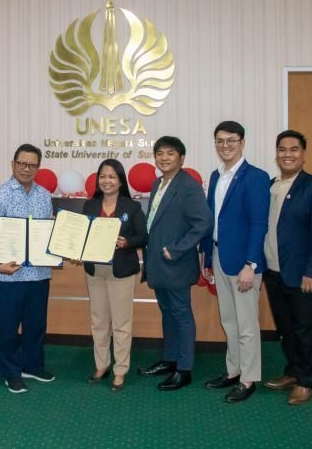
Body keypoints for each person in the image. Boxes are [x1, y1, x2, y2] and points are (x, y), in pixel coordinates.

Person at [261, 130, 312, 405]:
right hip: (274, 271)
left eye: (293, 149)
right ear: (276, 153)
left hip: (304, 275)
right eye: (282, 149)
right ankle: (292, 371)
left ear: (303, 154)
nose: (287, 154)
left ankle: (306, 381)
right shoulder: (270, 185)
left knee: (306, 328)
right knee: (286, 328)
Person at [201, 121, 269, 403]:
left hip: (243, 263)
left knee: (247, 324)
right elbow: (211, 219)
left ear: (242, 142)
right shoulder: (216, 176)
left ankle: (249, 378)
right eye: (219, 141)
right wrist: (206, 255)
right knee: (228, 319)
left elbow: (258, 223)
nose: (225, 146)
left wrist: (250, 264)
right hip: (219, 256)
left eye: (231, 140)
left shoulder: (256, 177)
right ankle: (233, 370)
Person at [137, 136, 213, 391]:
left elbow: (203, 223)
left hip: (175, 263)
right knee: (167, 313)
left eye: (170, 153)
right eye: (160, 153)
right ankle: (169, 359)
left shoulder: (188, 185)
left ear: (181, 158)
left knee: (181, 314)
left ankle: (184, 368)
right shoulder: (158, 182)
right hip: (157, 262)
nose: (164, 158)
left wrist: (177, 249)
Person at [0, 144, 56, 394]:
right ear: (13, 164)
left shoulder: (44, 195)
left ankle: (33, 365)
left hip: (39, 274)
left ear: (38, 167)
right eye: (22, 164)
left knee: (36, 324)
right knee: (8, 327)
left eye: (32, 165)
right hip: (9, 275)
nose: (26, 169)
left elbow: (48, 233)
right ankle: (10, 372)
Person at [81, 159, 147, 392]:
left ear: (120, 181)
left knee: (121, 324)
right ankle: (102, 365)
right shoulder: (90, 205)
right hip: (95, 271)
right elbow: (82, 236)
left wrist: (128, 242)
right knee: (98, 322)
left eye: (111, 177)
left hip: (121, 271)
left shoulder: (132, 207)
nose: (106, 181)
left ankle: (120, 370)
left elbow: (143, 236)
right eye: (102, 176)